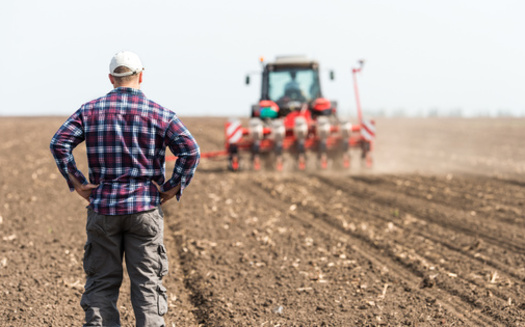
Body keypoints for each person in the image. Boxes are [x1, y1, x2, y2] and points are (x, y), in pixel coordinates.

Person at [50, 51, 200, 327]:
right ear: (141, 75)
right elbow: (190, 151)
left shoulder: (89, 110)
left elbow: (59, 143)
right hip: (145, 210)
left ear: (111, 78)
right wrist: (171, 187)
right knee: (147, 285)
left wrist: (78, 182)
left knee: (101, 284)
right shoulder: (160, 113)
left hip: (103, 209)